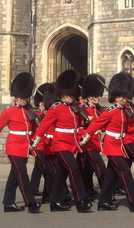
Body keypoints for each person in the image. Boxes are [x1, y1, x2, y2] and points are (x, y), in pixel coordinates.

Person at [82, 72, 134, 212]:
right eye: (123, 96)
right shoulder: (110, 111)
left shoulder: (125, 110)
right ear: (117, 98)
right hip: (112, 146)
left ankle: (103, 201)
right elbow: (96, 124)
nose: (126, 98)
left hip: (120, 145)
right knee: (125, 171)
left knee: (110, 175)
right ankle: (133, 200)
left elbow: (128, 127)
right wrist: (85, 137)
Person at [32, 69, 93, 213]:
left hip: (71, 144)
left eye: (72, 95)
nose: (70, 98)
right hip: (60, 145)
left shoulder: (74, 108)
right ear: (62, 94)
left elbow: (78, 124)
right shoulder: (56, 108)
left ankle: (55, 202)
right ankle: (81, 200)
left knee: (61, 173)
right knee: (74, 168)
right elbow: (44, 126)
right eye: (68, 95)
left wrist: (87, 121)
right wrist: (35, 141)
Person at [0, 72, 41, 214]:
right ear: (16, 97)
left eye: (26, 97)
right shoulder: (9, 111)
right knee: (23, 175)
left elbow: (34, 127)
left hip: (25, 146)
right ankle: (30, 202)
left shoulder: (29, 109)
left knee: (14, 177)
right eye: (22, 98)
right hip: (14, 146)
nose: (24, 100)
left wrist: (34, 141)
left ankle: (8, 204)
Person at [79, 74, 107, 197]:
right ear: (89, 97)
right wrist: (85, 120)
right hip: (88, 143)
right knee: (100, 166)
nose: (98, 98)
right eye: (95, 96)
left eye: (98, 96)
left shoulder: (97, 110)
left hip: (95, 141)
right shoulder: (83, 110)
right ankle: (106, 191)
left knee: (87, 169)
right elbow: (79, 123)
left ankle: (87, 188)